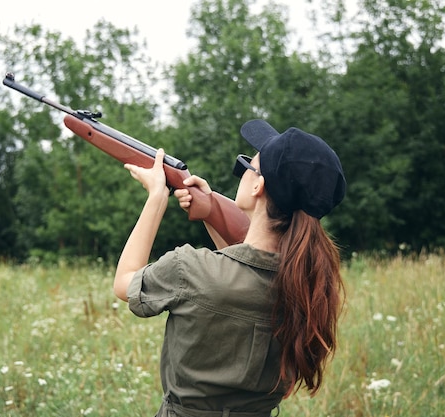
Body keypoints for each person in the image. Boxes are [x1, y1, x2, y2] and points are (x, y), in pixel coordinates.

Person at [113, 119, 346, 417]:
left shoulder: (189, 270)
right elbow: (245, 268)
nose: (244, 171)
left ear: (259, 185)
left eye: (247, 166)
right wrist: (211, 210)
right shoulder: (309, 286)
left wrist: (156, 197)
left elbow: (124, 282)